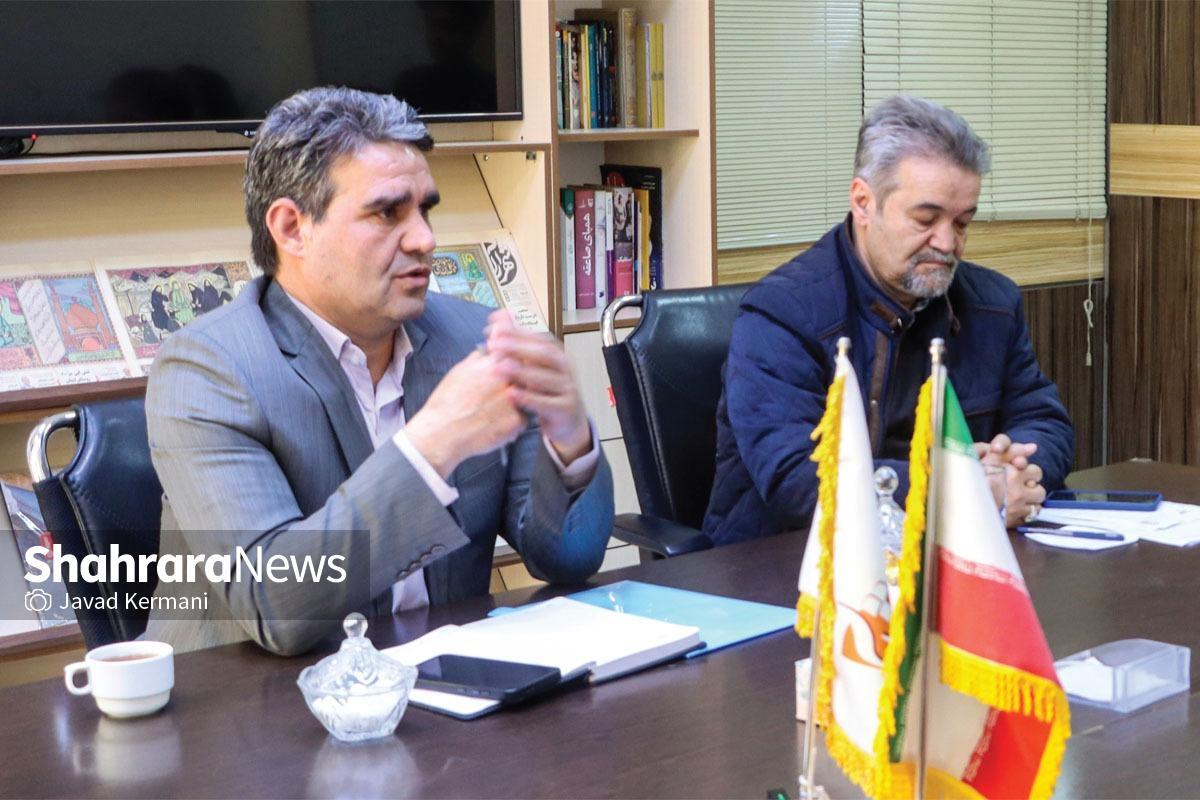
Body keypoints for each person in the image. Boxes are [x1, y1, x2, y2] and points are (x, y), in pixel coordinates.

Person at [142, 87, 614, 655]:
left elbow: (568, 558)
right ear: (291, 228)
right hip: (252, 696)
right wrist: (434, 443)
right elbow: (274, 604)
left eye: (425, 210)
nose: (425, 239)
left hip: (437, 684)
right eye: (388, 212)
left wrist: (570, 440)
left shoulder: (472, 338)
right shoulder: (207, 371)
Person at [703, 94, 1073, 545]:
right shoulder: (781, 315)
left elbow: (1045, 422)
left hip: (951, 558)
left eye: (962, 223)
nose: (947, 243)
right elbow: (799, 481)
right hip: (791, 564)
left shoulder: (993, 304)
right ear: (863, 202)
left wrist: (1014, 471)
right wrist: (962, 490)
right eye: (926, 218)